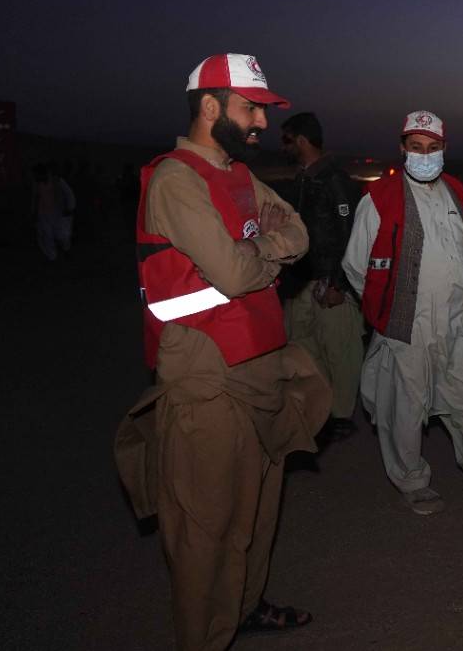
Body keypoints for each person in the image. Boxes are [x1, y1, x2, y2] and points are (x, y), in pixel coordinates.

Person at [114, 53, 331, 650]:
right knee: (205, 532)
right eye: (251, 107)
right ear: (210, 107)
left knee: (256, 516)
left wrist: (259, 251)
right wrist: (262, 253)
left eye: (261, 109)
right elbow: (236, 273)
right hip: (207, 381)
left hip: (260, 368)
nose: (261, 121)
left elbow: (298, 228)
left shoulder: (236, 173)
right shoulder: (176, 179)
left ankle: (245, 609)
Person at [342, 110, 463, 515]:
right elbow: (356, 265)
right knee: (404, 406)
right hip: (407, 323)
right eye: (416, 148)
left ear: (444, 150)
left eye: (433, 148)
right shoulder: (379, 198)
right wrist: (385, 312)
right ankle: (412, 481)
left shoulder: (456, 190)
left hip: (459, 320)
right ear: (403, 149)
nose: (425, 156)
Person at [280, 111, 365, 441]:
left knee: (340, 349)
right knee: (303, 346)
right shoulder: (301, 180)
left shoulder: (334, 180)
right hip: (302, 280)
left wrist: (340, 285)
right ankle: (321, 406)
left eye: (287, 139)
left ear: (301, 140)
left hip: (330, 282)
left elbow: (351, 235)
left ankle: (341, 414)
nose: (282, 147)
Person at [31, 161, 75, 260]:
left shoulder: (57, 180)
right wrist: (34, 212)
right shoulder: (37, 183)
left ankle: (65, 250)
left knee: (62, 235)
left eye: (37, 174)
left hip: (57, 213)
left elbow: (68, 193)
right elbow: (35, 198)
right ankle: (52, 257)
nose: (35, 176)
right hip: (43, 214)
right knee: (46, 235)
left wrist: (70, 207)